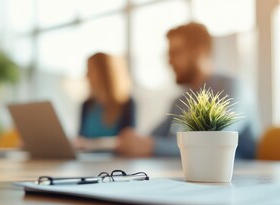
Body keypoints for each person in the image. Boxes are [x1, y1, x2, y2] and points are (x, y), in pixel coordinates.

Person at [116, 22, 260, 159]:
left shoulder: (232, 88)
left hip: (236, 178)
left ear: (200, 52)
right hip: (190, 177)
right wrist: (136, 141)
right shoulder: (181, 101)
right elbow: (149, 139)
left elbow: (211, 143)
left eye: (175, 53)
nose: (169, 61)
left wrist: (151, 146)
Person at [78, 53, 136, 142]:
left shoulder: (126, 104)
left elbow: (129, 139)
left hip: (116, 156)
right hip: (87, 155)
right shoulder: (87, 105)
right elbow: (80, 137)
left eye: (91, 70)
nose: (87, 75)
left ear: (104, 72)